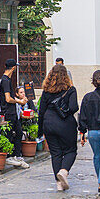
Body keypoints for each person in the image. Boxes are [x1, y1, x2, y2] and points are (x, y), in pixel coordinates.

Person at [38, 63, 79, 191]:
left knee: (55, 153)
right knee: (70, 150)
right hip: (65, 124)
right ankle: (64, 171)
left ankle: (59, 184)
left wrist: (40, 130)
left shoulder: (46, 91)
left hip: (48, 123)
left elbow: (41, 111)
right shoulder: (70, 90)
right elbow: (74, 108)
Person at [0, 59, 29, 167]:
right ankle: (9, 156)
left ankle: (16, 155)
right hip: (8, 112)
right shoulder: (5, 81)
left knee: (18, 132)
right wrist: (19, 101)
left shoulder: (5, 80)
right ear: (13, 68)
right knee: (10, 134)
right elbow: (8, 99)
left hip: (12, 112)